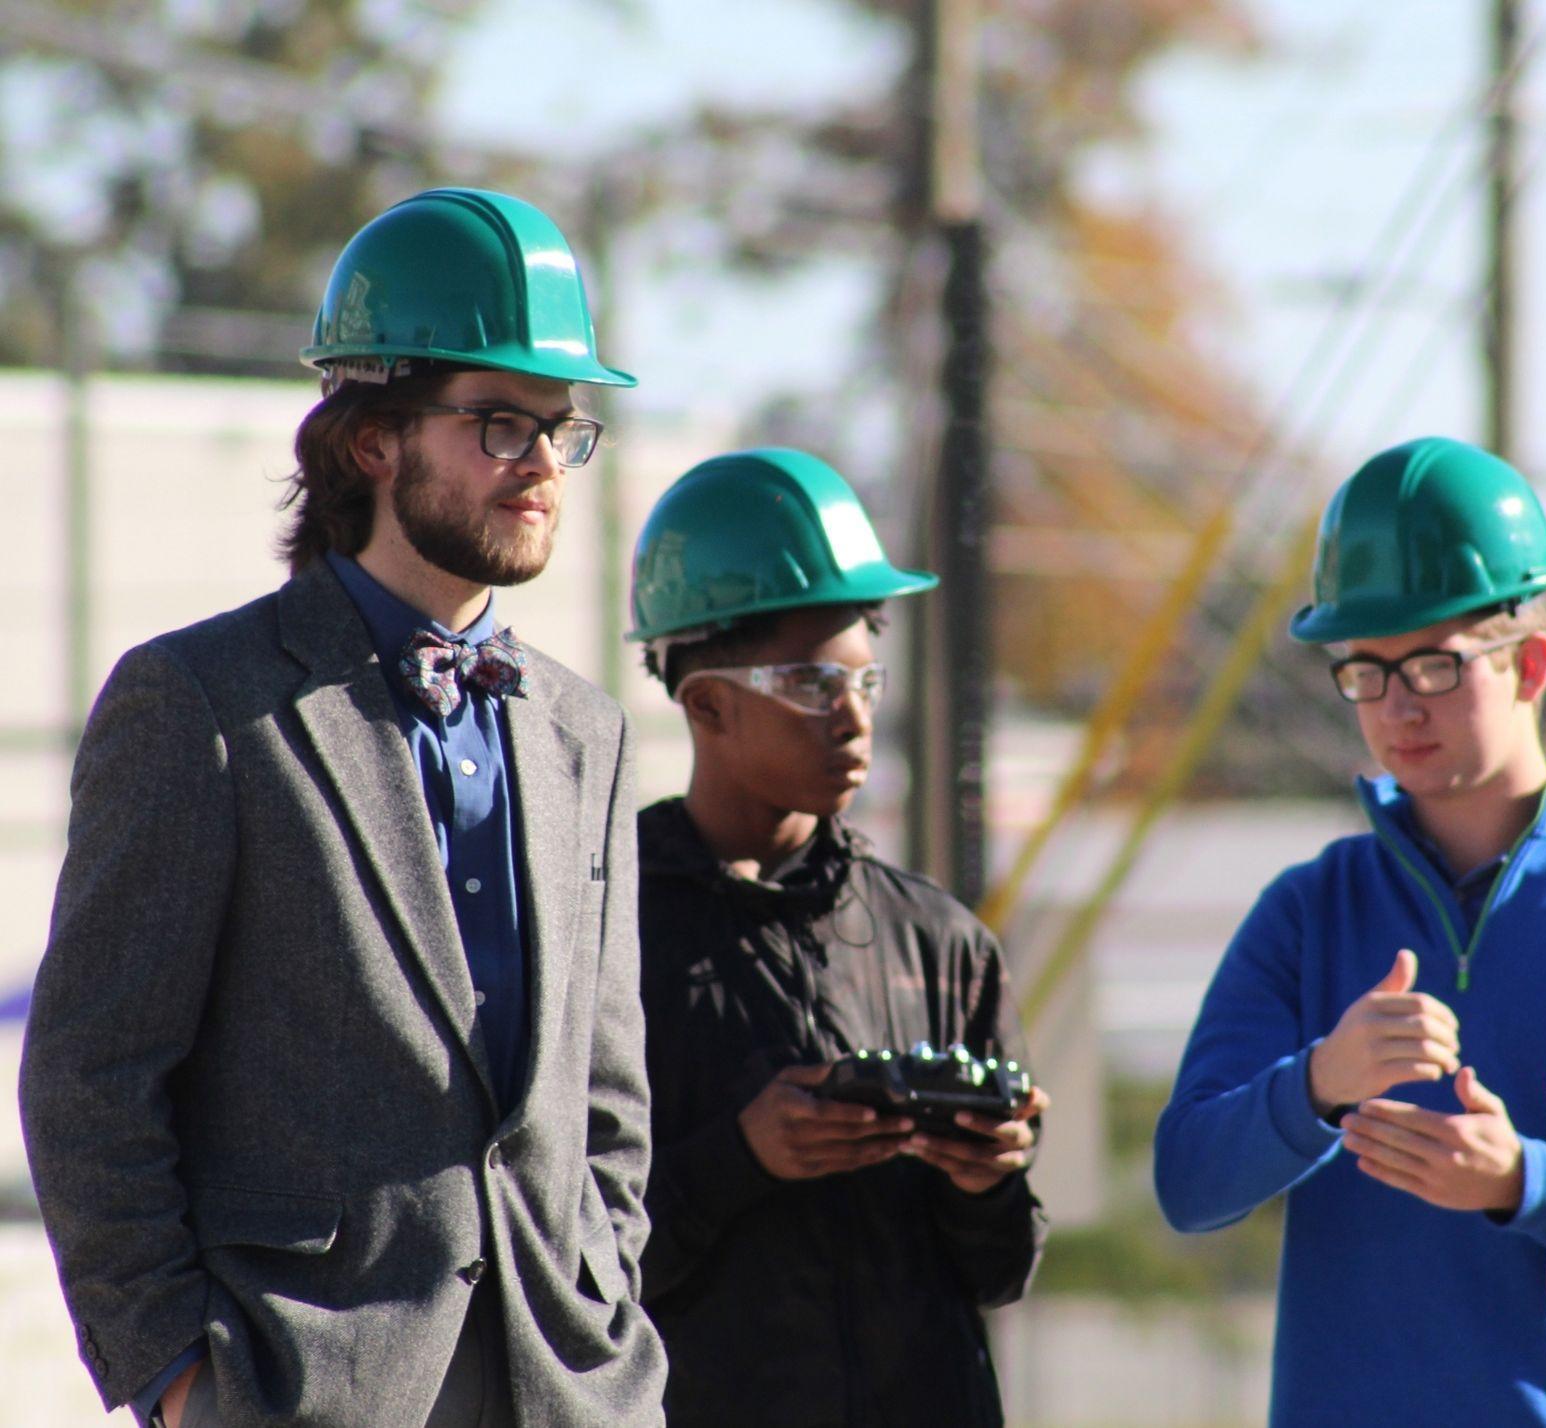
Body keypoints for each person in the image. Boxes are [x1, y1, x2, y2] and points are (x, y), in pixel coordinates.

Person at [20, 188, 667, 1427]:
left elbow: (608, 1095)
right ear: (371, 441)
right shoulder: (199, 704)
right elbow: (91, 1076)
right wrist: (178, 1380)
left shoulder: (588, 733)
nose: (538, 461)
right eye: (495, 421)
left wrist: (601, 1289)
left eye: (559, 426)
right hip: (302, 1383)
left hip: (566, 1383)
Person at [1154, 436, 1546, 1425]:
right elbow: (1188, 1183)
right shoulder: (1307, 909)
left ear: (1528, 663)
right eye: (1363, 672)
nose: (1394, 707)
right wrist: (1319, 1084)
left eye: (1429, 664)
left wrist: (1521, 1181)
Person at [625, 448, 1048, 1427]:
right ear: (707, 705)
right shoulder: (598, 935)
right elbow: (553, 1261)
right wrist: (743, 1154)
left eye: (865, 680)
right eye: (813, 685)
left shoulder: (940, 942)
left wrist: (989, 1178)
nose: (854, 719)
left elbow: (1000, 1271)